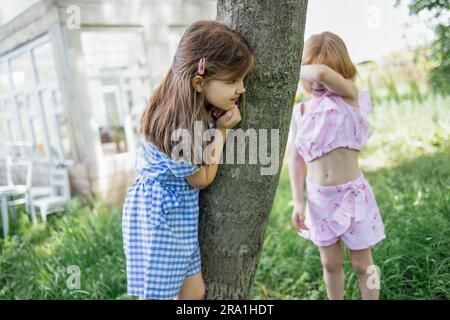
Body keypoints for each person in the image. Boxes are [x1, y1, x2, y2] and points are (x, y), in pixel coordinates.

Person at [122, 20, 255, 300]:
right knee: (160, 294)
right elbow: (202, 179)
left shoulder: (187, 105)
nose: (241, 89)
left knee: (194, 292)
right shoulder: (175, 127)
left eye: (241, 80)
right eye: (232, 81)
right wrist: (221, 132)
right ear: (198, 82)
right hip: (163, 218)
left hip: (180, 214)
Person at [289, 31, 386, 300]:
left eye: (331, 69)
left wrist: (291, 66)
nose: (316, 82)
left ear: (341, 71)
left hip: (353, 196)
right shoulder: (301, 112)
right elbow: (296, 159)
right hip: (319, 199)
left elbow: (319, 74)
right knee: (330, 263)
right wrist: (298, 201)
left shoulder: (349, 96)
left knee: (363, 264)